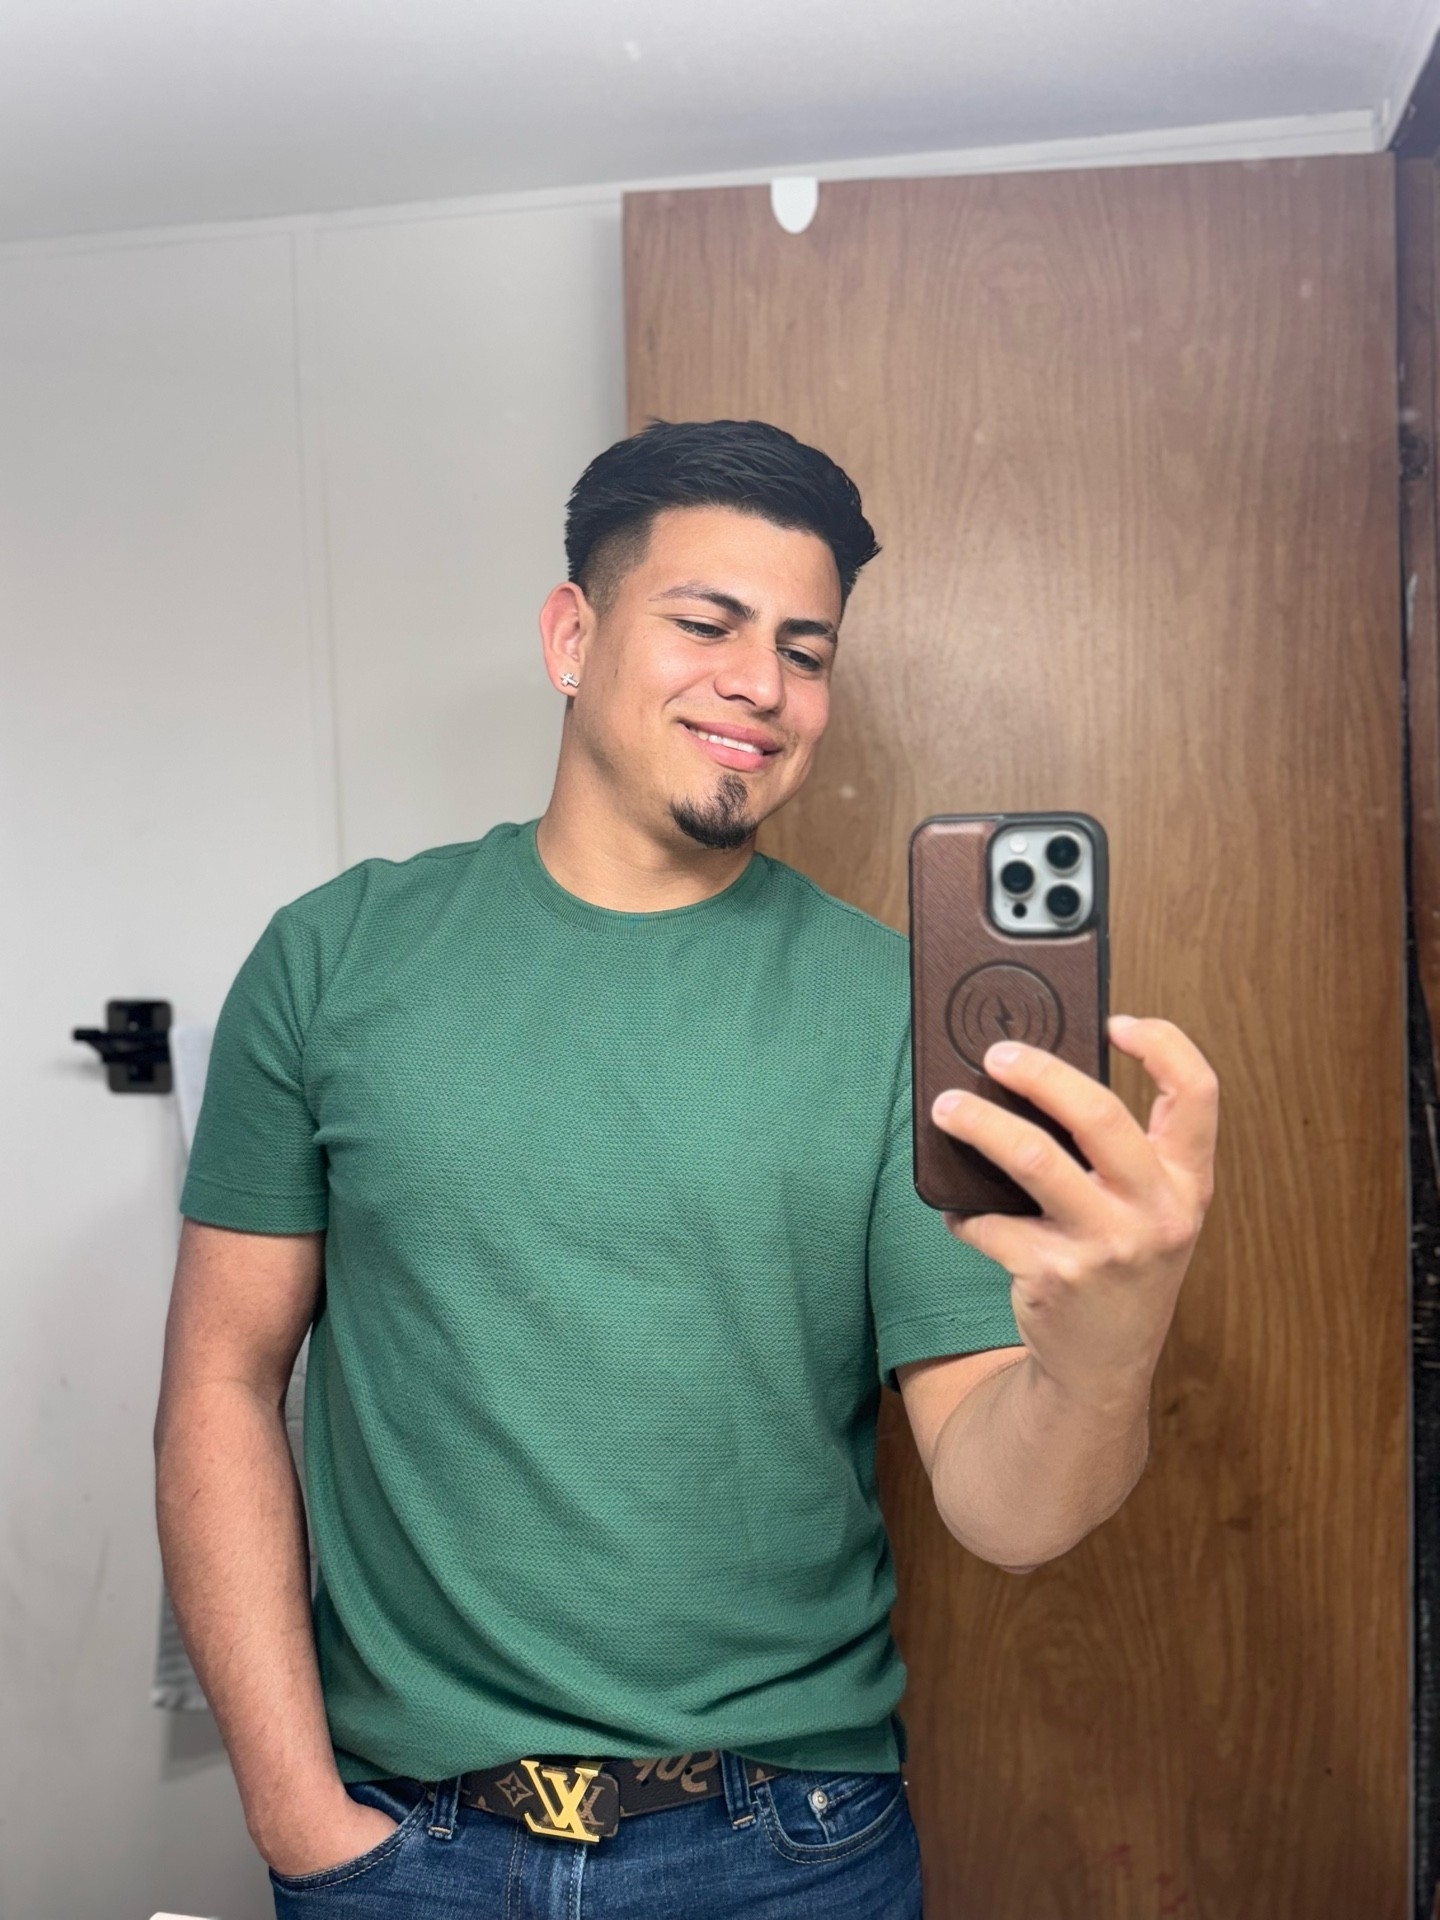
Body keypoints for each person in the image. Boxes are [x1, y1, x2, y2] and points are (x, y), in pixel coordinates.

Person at [153, 418, 1218, 1920]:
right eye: (706, 624)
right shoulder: (336, 958)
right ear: (571, 637)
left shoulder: (893, 1011)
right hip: (400, 1849)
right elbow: (220, 1380)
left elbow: (1008, 1507)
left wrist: (1111, 1350)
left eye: (805, 649)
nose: (762, 685)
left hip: (790, 1850)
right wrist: (296, 1815)